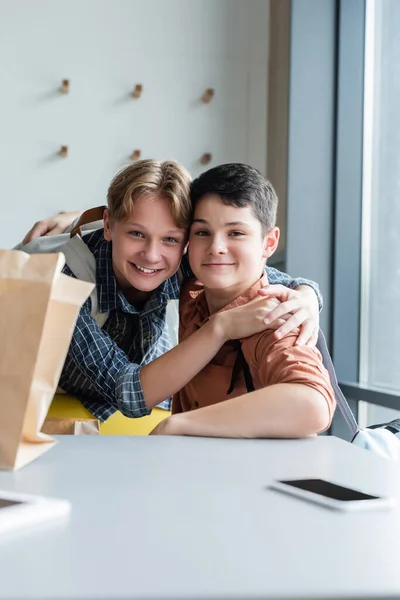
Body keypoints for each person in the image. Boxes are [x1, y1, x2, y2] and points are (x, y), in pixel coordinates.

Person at [21, 160, 322, 429]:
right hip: (39, 390)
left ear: (186, 241)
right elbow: (128, 392)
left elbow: (250, 272)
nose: (152, 255)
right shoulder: (61, 278)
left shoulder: (191, 260)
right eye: (136, 234)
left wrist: (307, 294)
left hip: (148, 401)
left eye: (170, 239)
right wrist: (220, 327)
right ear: (109, 225)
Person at [149, 163, 335, 438]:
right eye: (202, 232)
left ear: (269, 243)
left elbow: (313, 404)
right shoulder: (193, 293)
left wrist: (177, 425)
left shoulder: (273, 319)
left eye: (236, 233)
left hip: (251, 477)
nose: (216, 248)